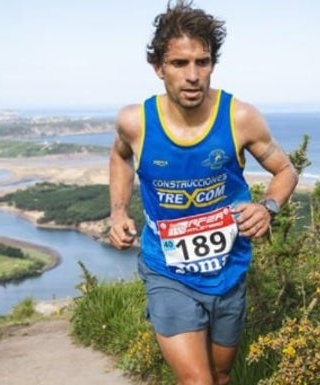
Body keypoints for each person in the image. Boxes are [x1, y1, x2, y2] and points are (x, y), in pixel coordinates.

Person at [108, 1, 298, 384]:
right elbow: (120, 157)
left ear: (213, 64)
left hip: (229, 269)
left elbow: (285, 170)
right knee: (198, 381)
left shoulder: (239, 117)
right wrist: (118, 212)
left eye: (203, 62)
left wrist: (269, 207)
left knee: (221, 374)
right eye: (179, 64)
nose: (193, 75)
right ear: (159, 68)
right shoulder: (136, 121)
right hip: (167, 270)